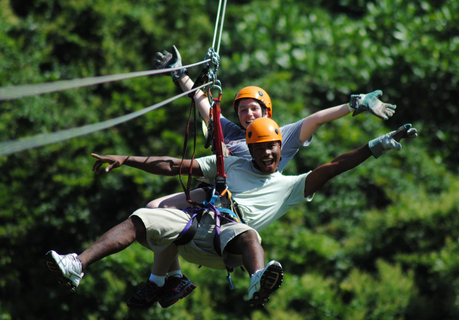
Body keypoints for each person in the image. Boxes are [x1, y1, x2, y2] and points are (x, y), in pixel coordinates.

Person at [117, 45, 398, 309]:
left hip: (234, 203)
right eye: (242, 110)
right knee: (154, 209)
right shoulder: (231, 132)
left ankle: (166, 280)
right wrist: (181, 76)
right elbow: (204, 104)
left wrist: (355, 105)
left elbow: (315, 120)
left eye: (254, 109)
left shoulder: (279, 136)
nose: (248, 114)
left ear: (267, 113)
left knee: (163, 212)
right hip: (213, 193)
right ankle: (174, 278)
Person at [44, 118, 417, 309]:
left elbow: (335, 165)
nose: (269, 155)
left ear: (279, 149)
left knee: (248, 233)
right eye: (262, 149)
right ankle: (78, 265)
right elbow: (175, 164)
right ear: (250, 149)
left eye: (274, 148)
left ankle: (258, 279)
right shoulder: (231, 165)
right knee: (141, 217)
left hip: (227, 246)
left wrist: (378, 145)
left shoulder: (289, 186)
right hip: (197, 223)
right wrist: (126, 159)